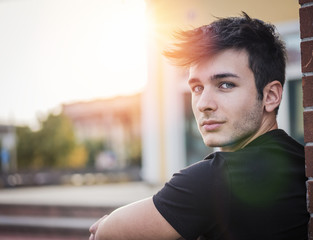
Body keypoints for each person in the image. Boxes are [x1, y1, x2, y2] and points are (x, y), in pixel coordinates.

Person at [89, 12, 309, 240]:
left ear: (270, 96)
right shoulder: (303, 162)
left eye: (225, 84)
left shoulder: (213, 180)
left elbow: (104, 234)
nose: (203, 104)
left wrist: (108, 222)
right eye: (196, 88)